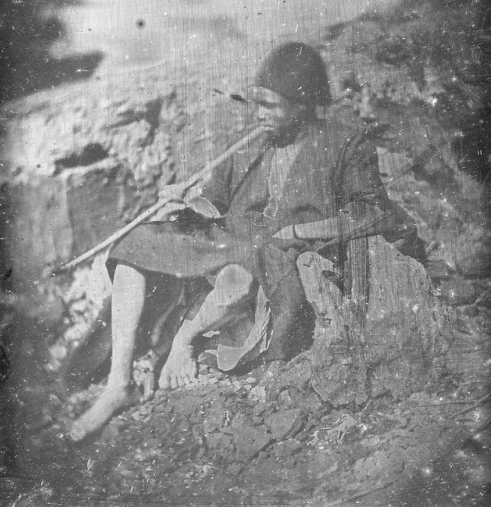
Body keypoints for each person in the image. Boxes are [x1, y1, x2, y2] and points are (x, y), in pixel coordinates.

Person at [69, 42, 424, 442]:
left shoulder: (344, 143)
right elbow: (214, 206)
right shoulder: (253, 143)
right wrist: (187, 200)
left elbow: (373, 211)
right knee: (137, 245)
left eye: (271, 106)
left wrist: (299, 232)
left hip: (278, 251)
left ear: (303, 104)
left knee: (241, 270)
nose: (260, 115)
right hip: (233, 238)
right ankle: (120, 383)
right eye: (258, 104)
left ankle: (183, 342)